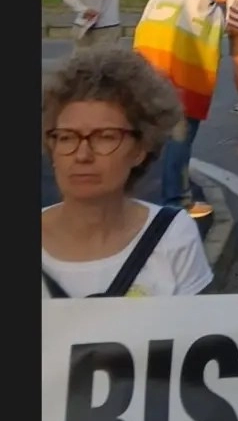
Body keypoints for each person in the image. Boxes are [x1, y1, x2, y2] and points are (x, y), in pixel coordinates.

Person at [42, 46, 212, 298]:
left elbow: (201, 331)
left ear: (140, 149)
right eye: (66, 138)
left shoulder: (173, 236)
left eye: (105, 137)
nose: (82, 155)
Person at [132, 0, 224, 219]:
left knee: (151, 142)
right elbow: (205, 45)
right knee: (179, 142)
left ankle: (137, 196)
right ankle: (176, 200)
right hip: (182, 85)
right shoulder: (200, 1)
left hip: (149, 79)